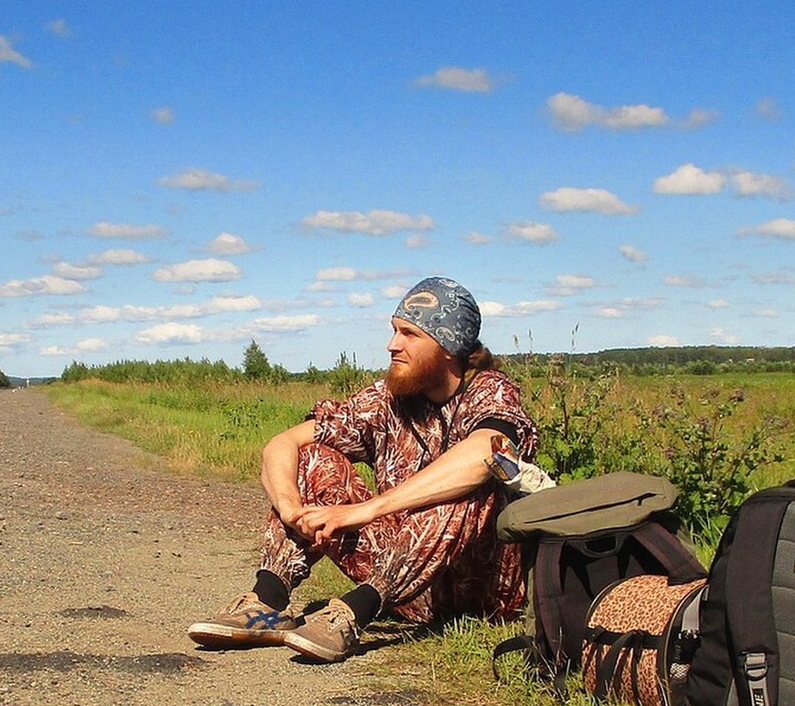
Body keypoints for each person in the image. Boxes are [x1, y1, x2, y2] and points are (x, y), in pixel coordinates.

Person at [188, 277, 538, 663]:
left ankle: (356, 612)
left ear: (449, 346)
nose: (393, 345)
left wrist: (364, 511)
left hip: (481, 590)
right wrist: (291, 510)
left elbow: (487, 452)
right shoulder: (387, 400)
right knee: (313, 457)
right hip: (405, 584)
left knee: (475, 478)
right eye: (393, 331)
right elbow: (282, 444)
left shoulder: (491, 391)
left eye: (409, 334)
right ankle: (267, 601)